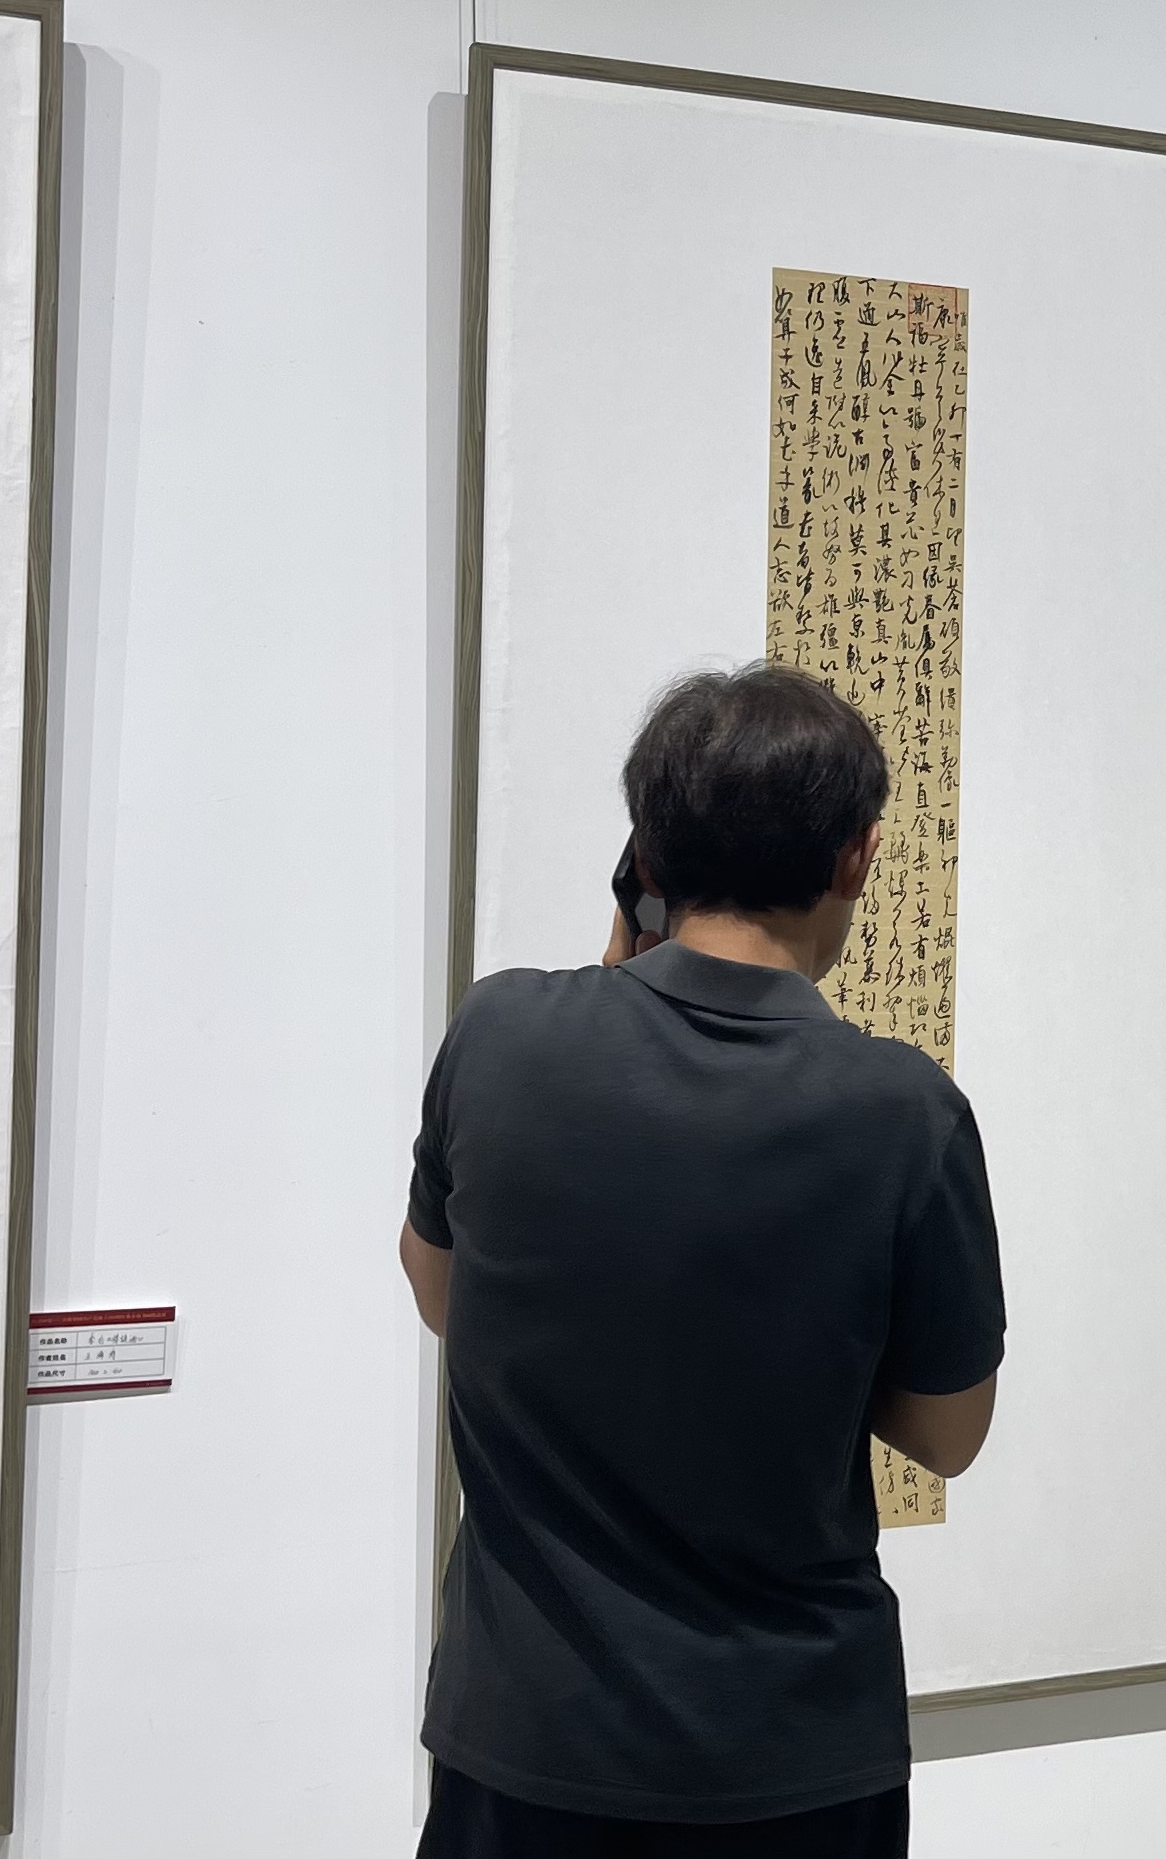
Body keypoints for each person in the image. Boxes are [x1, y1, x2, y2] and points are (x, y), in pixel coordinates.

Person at [398, 663, 1006, 1857]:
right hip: (792, 1759)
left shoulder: (500, 1034)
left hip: (524, 1744)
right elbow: (949, 1434)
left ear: (647, 854)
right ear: (857, 859)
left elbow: (441, 1292)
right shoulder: (904, 1113)